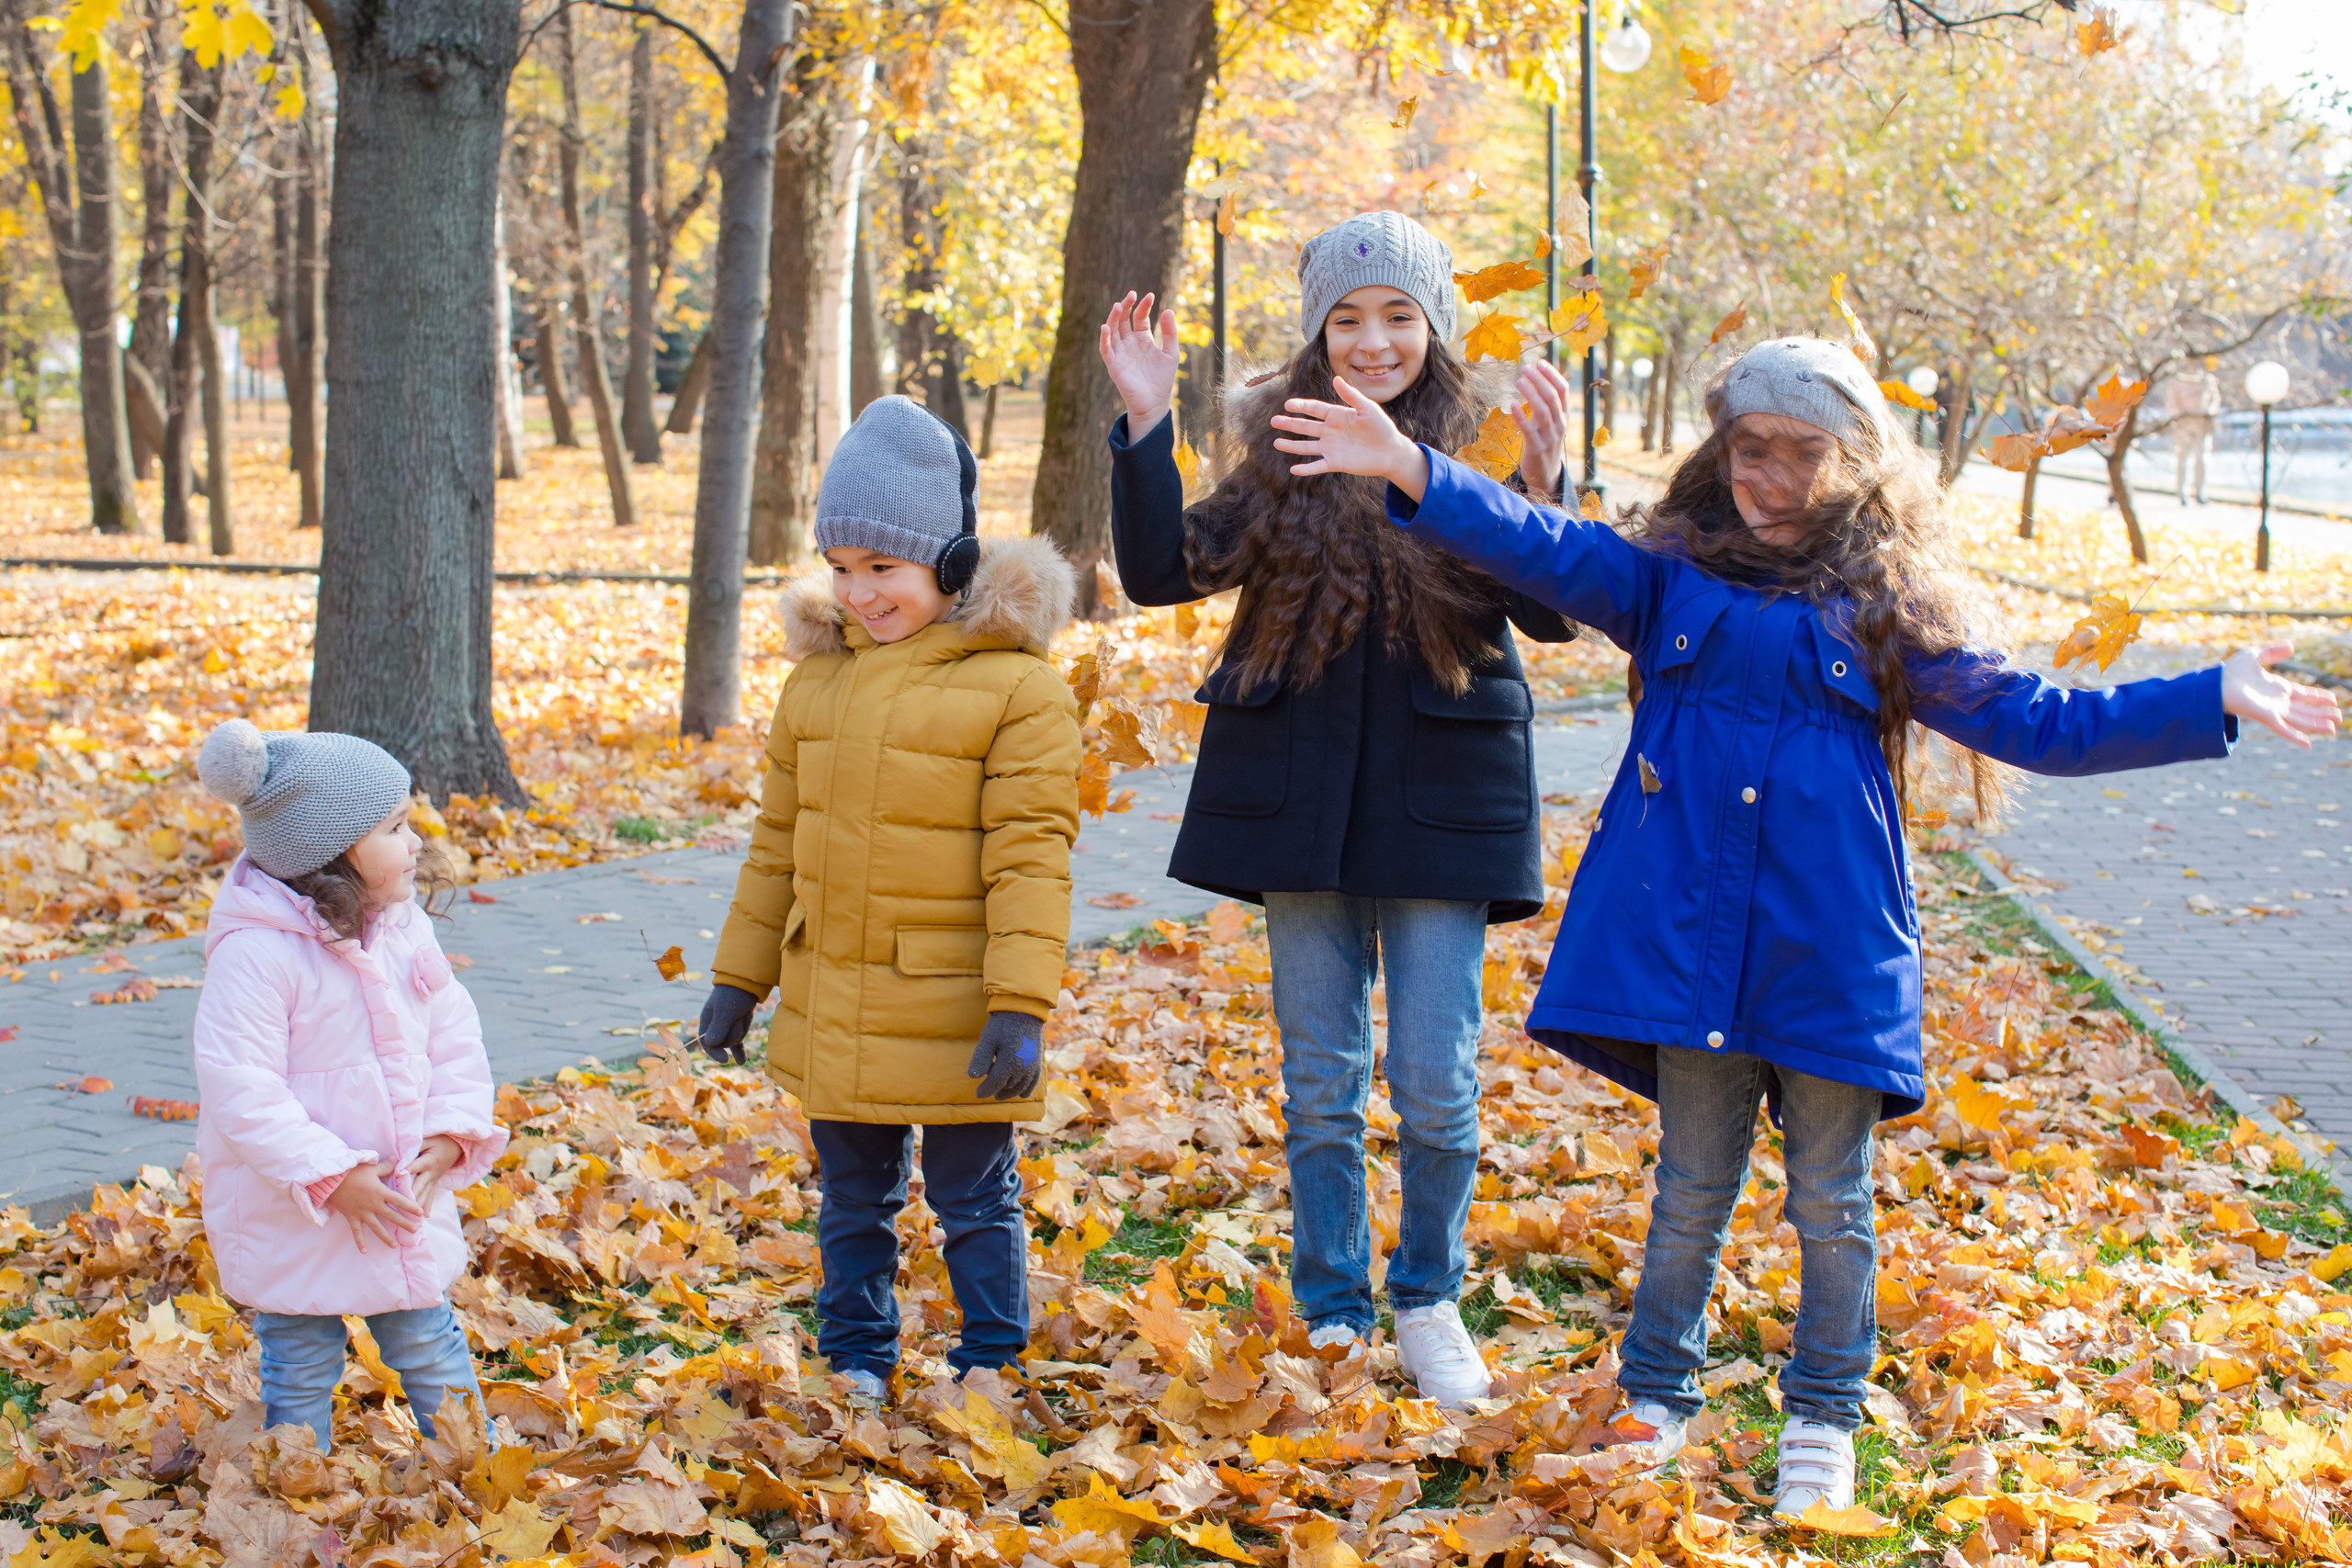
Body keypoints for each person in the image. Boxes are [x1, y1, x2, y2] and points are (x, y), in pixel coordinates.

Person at [1263, 335, 2342, 1512]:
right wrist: (1415, 466)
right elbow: (1548, 548)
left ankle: (1822, 1409)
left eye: (1800, 453)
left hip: (1827, 954)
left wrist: (2209, 693)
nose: (1766, 475)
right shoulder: (1668, 577)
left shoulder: (1886, 611)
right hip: (1688, 951)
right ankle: (1654, 1387)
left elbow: (2045, 724)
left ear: (1858, 467)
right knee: (1688, 1185)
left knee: (1830, 1200)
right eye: (1747, 447)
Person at [1097, 209, 1582, 1405]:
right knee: (1320, 1077)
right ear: (1319, 331)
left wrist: (1548, 485)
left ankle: (1427, 1292)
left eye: (1398, 317)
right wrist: (1149, 419)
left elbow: (1558, 612)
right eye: (1348, 319)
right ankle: (1328, 1304)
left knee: (1435, 1075)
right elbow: (1164, 572)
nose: (1372, 342)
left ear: (1434, 327)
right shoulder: (1286, 443)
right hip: (1301, 800)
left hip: (1442, 809)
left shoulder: (1477, 444)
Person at [695, 396, 1082, 1404]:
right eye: (842, 567)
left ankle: (993, 1356)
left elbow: (1030, 859)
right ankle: (857, 1358)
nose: (861, 594)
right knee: (850, 1199)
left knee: (971, 1196)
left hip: (956, 1005)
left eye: (886, 570)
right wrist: (740, 978)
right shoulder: (816, 689)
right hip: (835, 998)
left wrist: (1018, 1005)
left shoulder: (1016, 692)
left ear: (951, 568)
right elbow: (775, 845)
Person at [192, 719, 507, 1452]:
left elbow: (453, 1032)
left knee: (427, 1337)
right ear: (332, 852)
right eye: (395, 826)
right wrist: (334, 1175)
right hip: (296, 1205)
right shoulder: (258, 956)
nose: (416, 840)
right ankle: (299, 1478)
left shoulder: (400, 928)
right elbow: (243, 1090)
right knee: (301, 1358)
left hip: (397, 1195)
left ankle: (476, 1461)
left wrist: (450, 1130)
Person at [2165, 363, 2222, 505]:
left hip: (2202, 425)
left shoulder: (2207, 380)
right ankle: (2181, 492)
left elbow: (2215, 400)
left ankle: (2199, 491)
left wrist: (2210, 412)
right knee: (2182, 459)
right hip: (2183, 426)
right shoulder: (2178, 380)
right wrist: (2179, 417)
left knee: (2202, 460)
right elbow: (2171, 402)